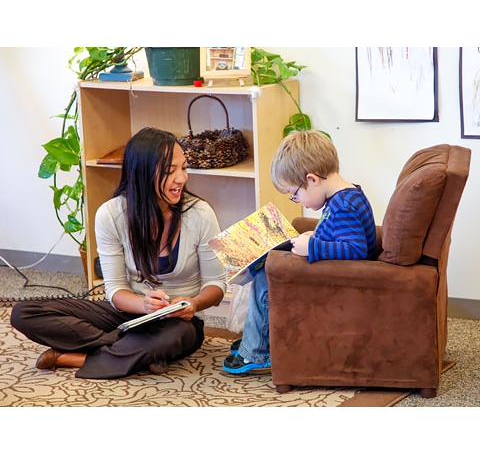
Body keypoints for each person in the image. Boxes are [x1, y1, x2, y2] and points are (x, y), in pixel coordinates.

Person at [11, 127, 226, 379]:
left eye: (184, 167)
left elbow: (216, 283)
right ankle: (134, 352)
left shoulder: (201, 214)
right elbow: (115, 290)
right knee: (25, 312)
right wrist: (144, 305)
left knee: (171, 337)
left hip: (179, 322)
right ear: (142, 174)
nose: (182, 178)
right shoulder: (111, 215)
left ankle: (74, 357)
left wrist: (194, 304)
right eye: (170, 171)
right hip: (128, 312)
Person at [223, 130, 377, 374]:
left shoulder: (343, 206)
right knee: (265, 267)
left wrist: (312, 246)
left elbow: (355, 249)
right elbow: (340, 235)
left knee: (265, 278)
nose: (297, 200)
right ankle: (257, 338)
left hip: (336, 286)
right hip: (330, 276)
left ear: (313, 179)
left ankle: (256, 351)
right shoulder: (344, 198)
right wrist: (315, 236)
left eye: (294, 194)